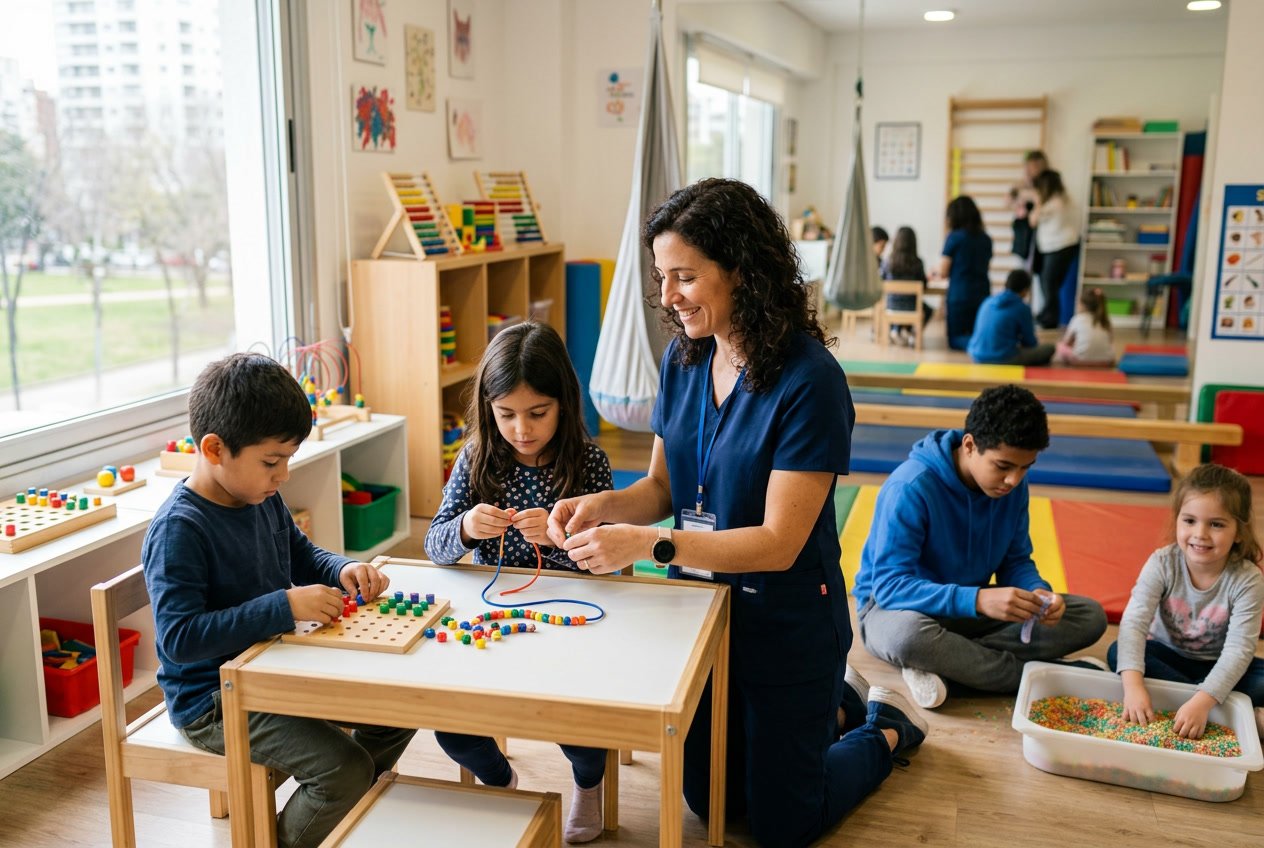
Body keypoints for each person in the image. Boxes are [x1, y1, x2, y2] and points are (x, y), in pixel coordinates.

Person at [545, 178, 928, 848]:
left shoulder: (810, 382)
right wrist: (602, 506)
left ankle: (884, 726)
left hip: (785, 622)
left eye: (685, 277)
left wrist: (648, 546)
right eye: (663, 277)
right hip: (701, 622)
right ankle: (829, 710)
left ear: (742, 272)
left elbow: (781, 542)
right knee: (712, 804)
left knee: (783, 828)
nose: (668, 297)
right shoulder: (685, 358)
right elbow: (663, 488)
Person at [143, 353, 417, 848]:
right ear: (214, 448)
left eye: (287, 459)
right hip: (213, 702)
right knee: (343, 770)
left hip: (273, 667)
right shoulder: (179, 530)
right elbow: (180, 639)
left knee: (401, 706)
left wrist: (343, 568)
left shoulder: (258, 496)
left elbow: (303, 555)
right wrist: (284, 606)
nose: (283, 475)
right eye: (272, 461)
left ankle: (343, 802)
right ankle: (306, 820)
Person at [423, 321, 612, 843]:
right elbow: (434, 546)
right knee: (450, 722)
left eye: (537, 413)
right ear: (488, 408)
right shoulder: (477, 458)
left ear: (564, 404)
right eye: (505, 414)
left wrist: (556, 541)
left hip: (570, 622)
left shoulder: (587, 463)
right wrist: (463, 527)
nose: (521, 429)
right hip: (493, 620)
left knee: (579, 718)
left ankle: (589, 784)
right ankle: (500, 780)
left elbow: (608, 565)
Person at [852, 385, 1108, 710]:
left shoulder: (1012, 487)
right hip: (895, 610)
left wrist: (1038, 593)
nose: (1014, 480)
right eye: (1003, 466)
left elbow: (1016, 560)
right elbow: (889, 587)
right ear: (970, 445)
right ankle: (1052, 677)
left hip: (968, 610)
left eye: (1025, 467)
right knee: (909, 638)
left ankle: (947, 668)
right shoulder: (910, 487)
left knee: (1090, 617)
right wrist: (977, 599)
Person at [1109, 464, 1264, 740]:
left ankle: (1197, 703)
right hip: (1165, 656)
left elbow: (1239, 650)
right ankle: (1233, 712)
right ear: (1177, 520)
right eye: (1190, 520)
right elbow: (1133, 623)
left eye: (1216, 524)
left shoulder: (1248, 578)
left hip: (1218, 663)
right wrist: (1133, 689)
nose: (1200, 534)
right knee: (1118, 652)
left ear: (1239, 532)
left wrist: (1201, 702)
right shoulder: (1162, 562)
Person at [930, 196, 992, 350]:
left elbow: (943, 272)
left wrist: (934, 271)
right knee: (976, 332)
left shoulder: (954, 237)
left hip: (960, 295)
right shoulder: (986, 239)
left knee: (955, 340)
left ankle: (980, 347)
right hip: (982, 293)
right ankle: (981, 344)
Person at [967, 269, 1054, 365]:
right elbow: (1030, 342)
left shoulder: (988, 301)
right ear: (1025, 290)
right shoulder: (1022, 308)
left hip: (976, 355)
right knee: (1049, 348)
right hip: (1002, 358)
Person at [1029, 169, 1081, 329]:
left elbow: (1033, 220)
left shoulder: (1053, 203)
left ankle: (1049, 318)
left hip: (1059, 247)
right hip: (1060, 246)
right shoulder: (1063, 200)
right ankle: (1048, 315)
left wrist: (1037, 202)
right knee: (1050, 283)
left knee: (1048, 282)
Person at [880, 226, 932, 347]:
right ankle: (912, 334)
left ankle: (895, 330)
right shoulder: (918, 262)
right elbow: (923, 285)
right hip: (912, 307)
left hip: (891, 305)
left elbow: (881, 281)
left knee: (897, 303)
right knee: (927, 310)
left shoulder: (888, 261)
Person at [1054, 287, 1116, 366]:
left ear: (1082, 305)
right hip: (1106, 361)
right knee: (1111, 347)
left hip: (1079, 361)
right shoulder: (1106, 321)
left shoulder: (1077, 319)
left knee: (1060, 346)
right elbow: (1110, 341)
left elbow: (1066, 342)